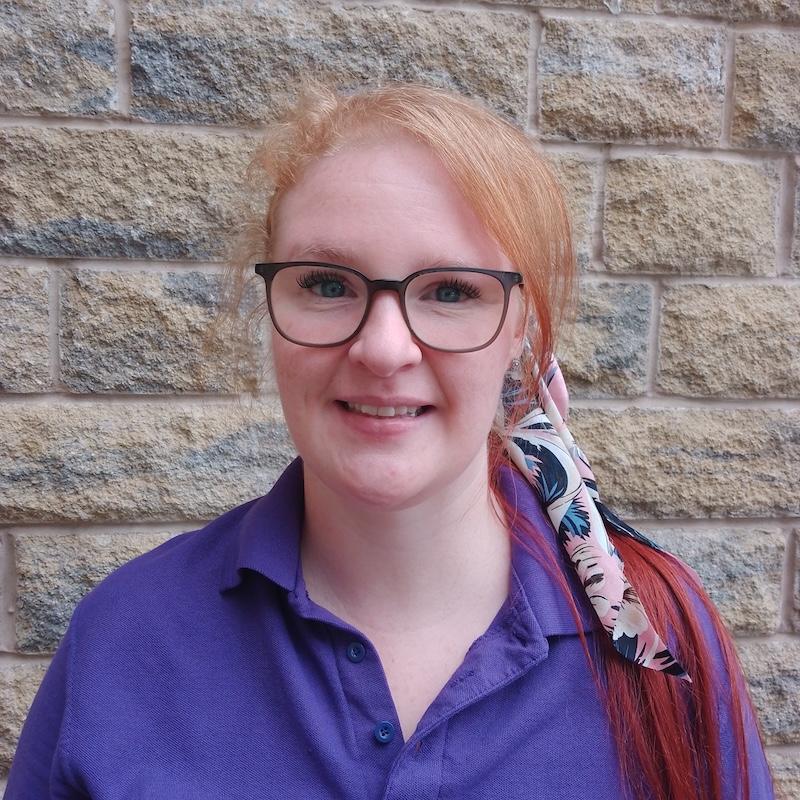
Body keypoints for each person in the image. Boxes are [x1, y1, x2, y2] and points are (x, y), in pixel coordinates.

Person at [5, 84, 774, 800]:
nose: (382, 349)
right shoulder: (126, 639)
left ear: (522, 336)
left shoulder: (660, 642)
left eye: (449, 292)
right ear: (269, 306)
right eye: (327, 283)